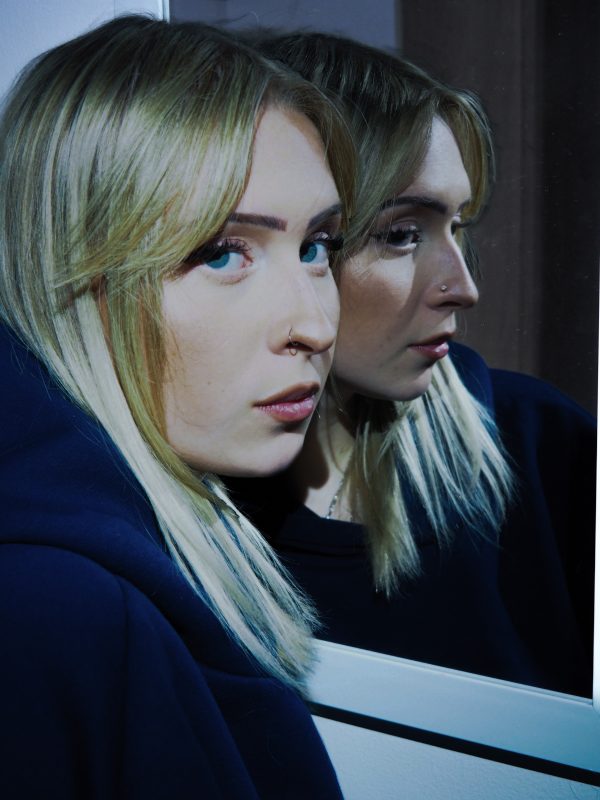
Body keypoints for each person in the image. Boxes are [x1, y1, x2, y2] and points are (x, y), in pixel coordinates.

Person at [0, 16, 356, 799]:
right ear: (75, 276)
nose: (316, 324)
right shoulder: (54, 613)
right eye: (223, 253)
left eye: (317, 247)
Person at [232, 31, 596, 697]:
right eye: (403, 235)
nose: (464, 287)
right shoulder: (184, 523)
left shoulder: (543, 446)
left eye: (457, 228)